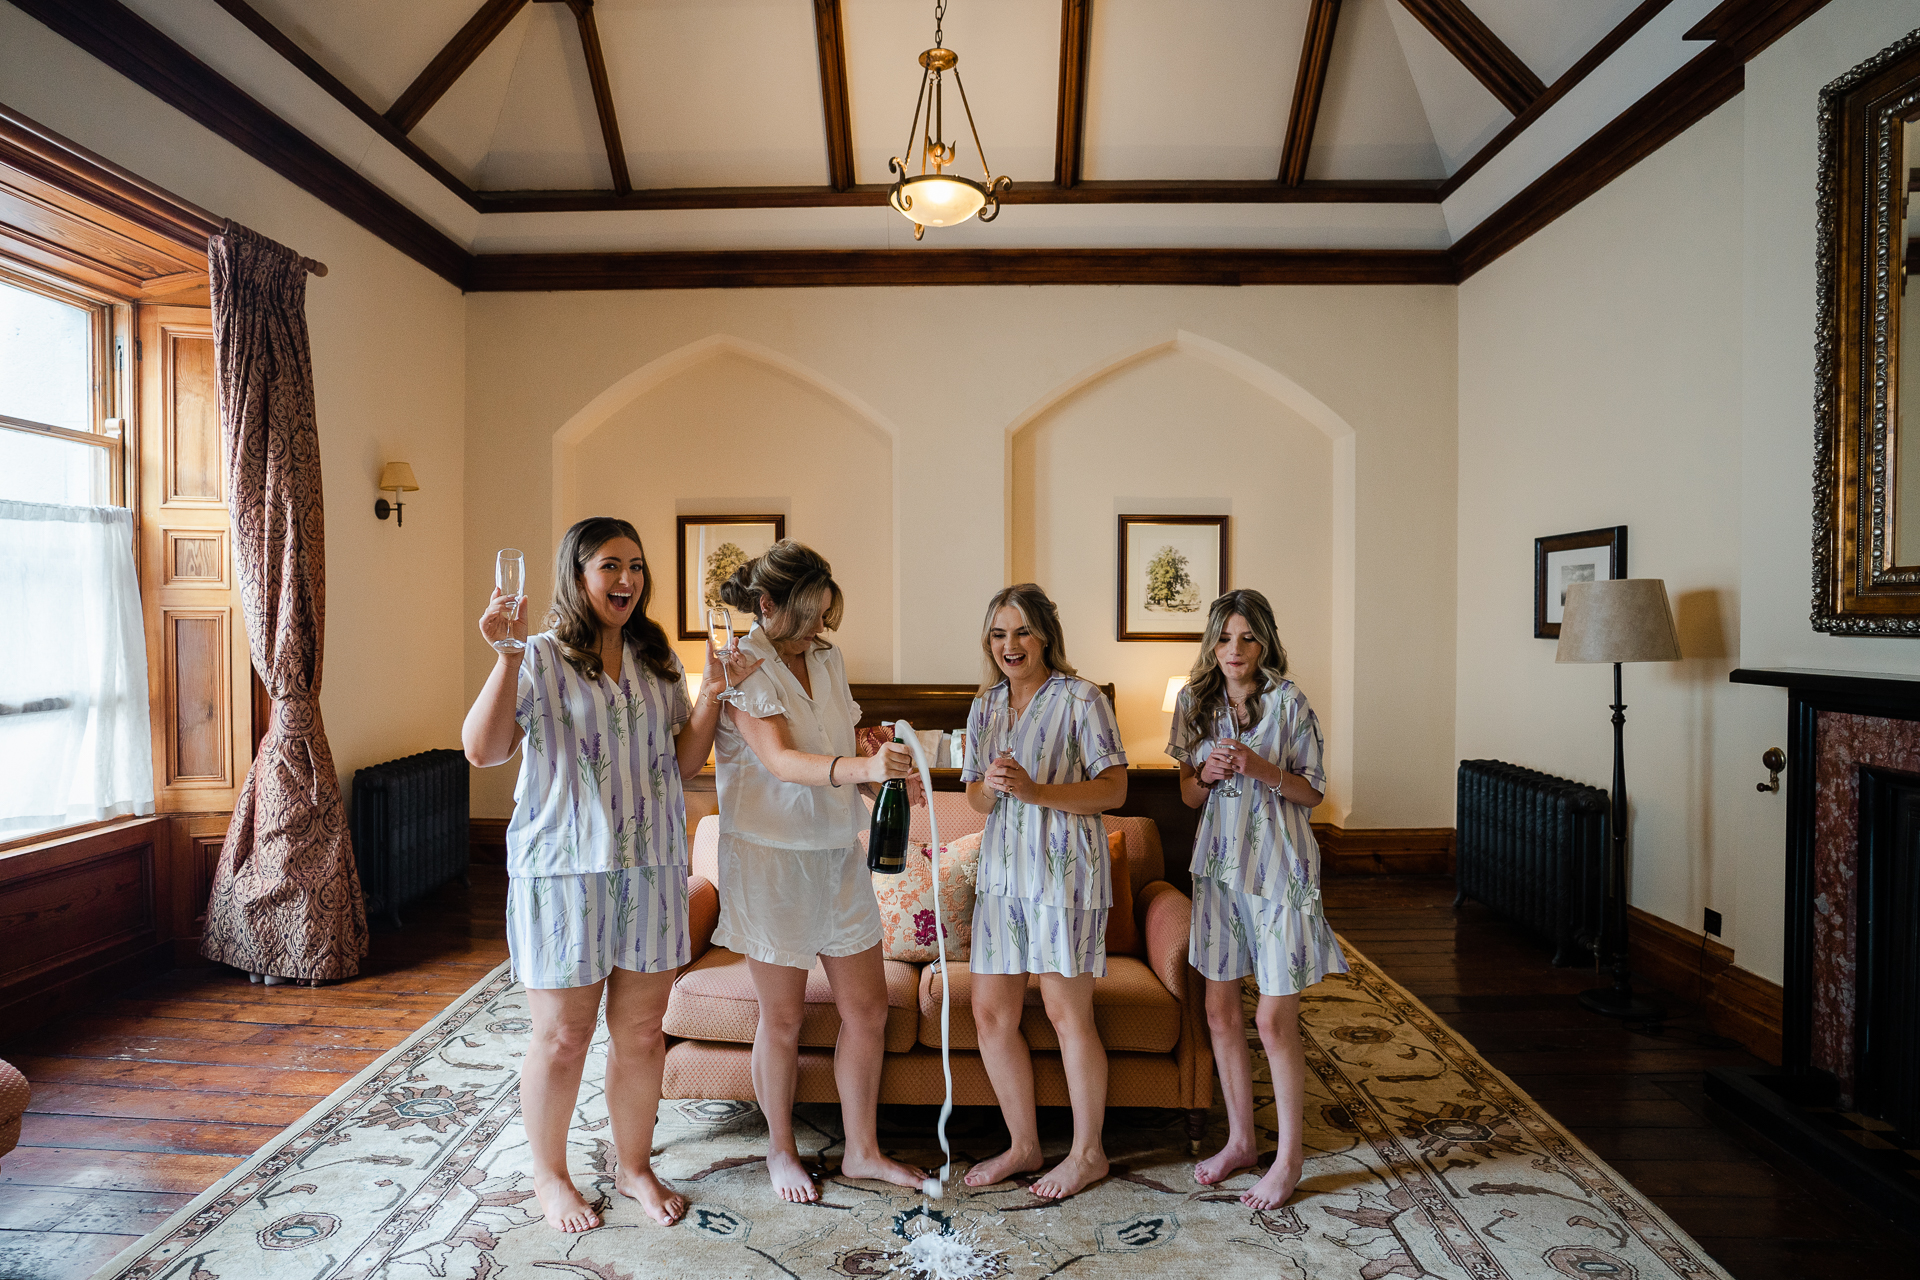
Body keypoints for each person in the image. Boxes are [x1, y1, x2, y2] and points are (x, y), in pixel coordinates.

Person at [462, 517, 756, 1233]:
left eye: (636, 565)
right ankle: (551, 1176)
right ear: (577, 574)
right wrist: (503, 656)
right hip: (562, 871)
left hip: (651, 868)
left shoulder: (657, 661)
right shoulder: (535, 655)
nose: (627, 579)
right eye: (609, 566)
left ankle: (633, 1167)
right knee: (562, 1037)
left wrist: (714, 690)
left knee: (642, 1032)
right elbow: (482, 750)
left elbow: (681, 764)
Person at [711, 539, 928, 1203]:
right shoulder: (742, 665)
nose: (818, 633)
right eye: (806, 620)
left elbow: (839, 748)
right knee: (782, 1020)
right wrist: (860, 769)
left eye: (826, 618)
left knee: (866, 1009)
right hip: (772, 862)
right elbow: (779, 761)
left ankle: (861, 1150)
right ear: (768, 606)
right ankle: (780, 1150)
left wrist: (883, 773)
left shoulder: (828, 660)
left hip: (837, 854)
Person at [1171, 589, 1347, 1210]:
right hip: (1218, 868)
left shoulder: (1289, 703)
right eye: (1224, 638)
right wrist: (1208, 775)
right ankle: (1241, 1140)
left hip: (1280, 868)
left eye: (1246, 638)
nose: (1234, 650)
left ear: (1265, 642)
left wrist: (1257, 765)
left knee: (1272, 1019)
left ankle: (1289, 1157)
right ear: (1210, 643)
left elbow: (1312, 793)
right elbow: (1189, 797)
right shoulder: (1194, 704)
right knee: (1220, 1011)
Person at [960, 584, 1128, 1199]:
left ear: (1046, 636)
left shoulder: (1083, 699)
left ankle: (1089, 1154)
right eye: (999, 634)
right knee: (991, 1013)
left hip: (1065, 875)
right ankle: (1024, 1145)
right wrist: (995, 788)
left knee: (1065, 1013)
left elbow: (1114, 790)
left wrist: (1036, 791)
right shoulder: (985, 707)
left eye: (1022, 631)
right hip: (1003, 874)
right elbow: (976, 797)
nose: (1011, 645)